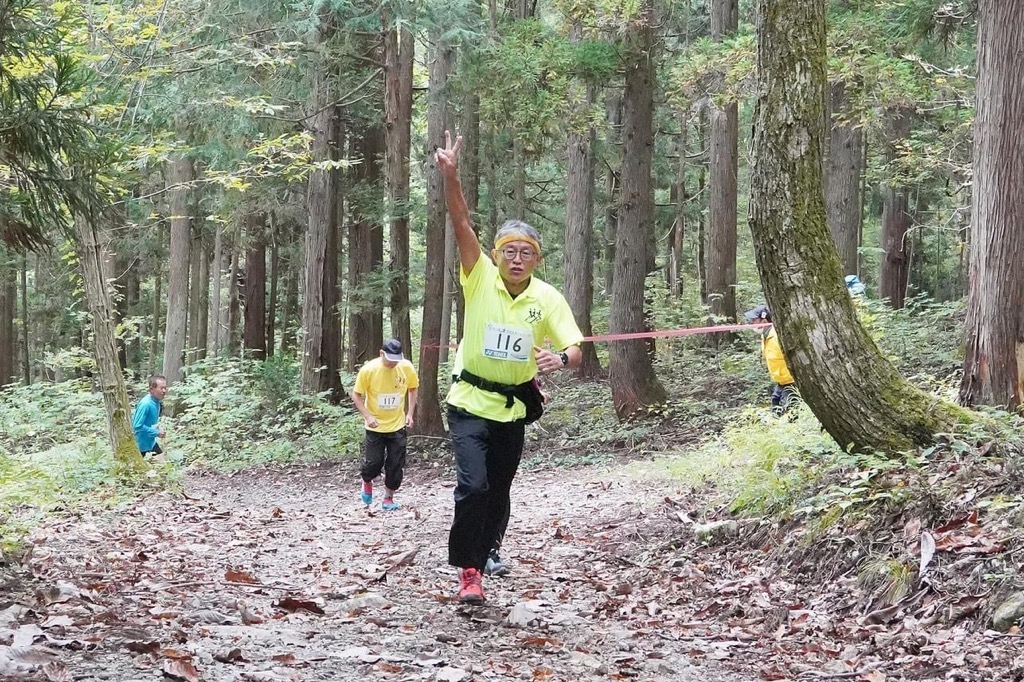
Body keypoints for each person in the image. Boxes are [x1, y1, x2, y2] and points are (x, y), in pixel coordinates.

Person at [435, 130, 584, 604]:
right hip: (469, 403)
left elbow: (576, 348)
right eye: (509, 251)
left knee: (498, 491)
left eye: (527, 252)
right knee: (473, 484)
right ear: (495, 255)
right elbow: (460, 223)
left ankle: (489, 549)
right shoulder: (478, 278)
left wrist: (558, 359)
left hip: (514, 407)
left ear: (536, 259)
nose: (517, 259)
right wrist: (451, 177)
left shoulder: (547, 297)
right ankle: (469, 570)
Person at [352, 338, 419, 511]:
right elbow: (356, 395)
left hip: (397, 425)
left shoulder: (406, 367)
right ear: (381, 354)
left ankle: (388, 498)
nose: (393, 364)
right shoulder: (369, 370)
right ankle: (367, 481)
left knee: (396, 464)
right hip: (375, 426)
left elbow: (413, 388)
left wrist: (410, 413)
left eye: (397, 360)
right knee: (374, 463)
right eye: (390, 360)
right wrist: (367, 416)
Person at [744, 305, 797, 416]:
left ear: (764, 321)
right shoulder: (765, 336)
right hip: (780, 381)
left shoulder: (778, 335)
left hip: (792, 381)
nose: (752, 323)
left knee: (789, 413)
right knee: (775, 407)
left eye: (754, 320)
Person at [132, 374, 167, 455]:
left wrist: (158, 428)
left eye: (165, 388)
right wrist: (156, 433)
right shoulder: (145, 404)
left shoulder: (156, 401)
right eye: (161, 388)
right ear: (151, 389)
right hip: (141, 446)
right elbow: (137, 426)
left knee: (162, 464)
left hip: (151, 443)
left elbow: (150, 421)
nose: (164, 391)